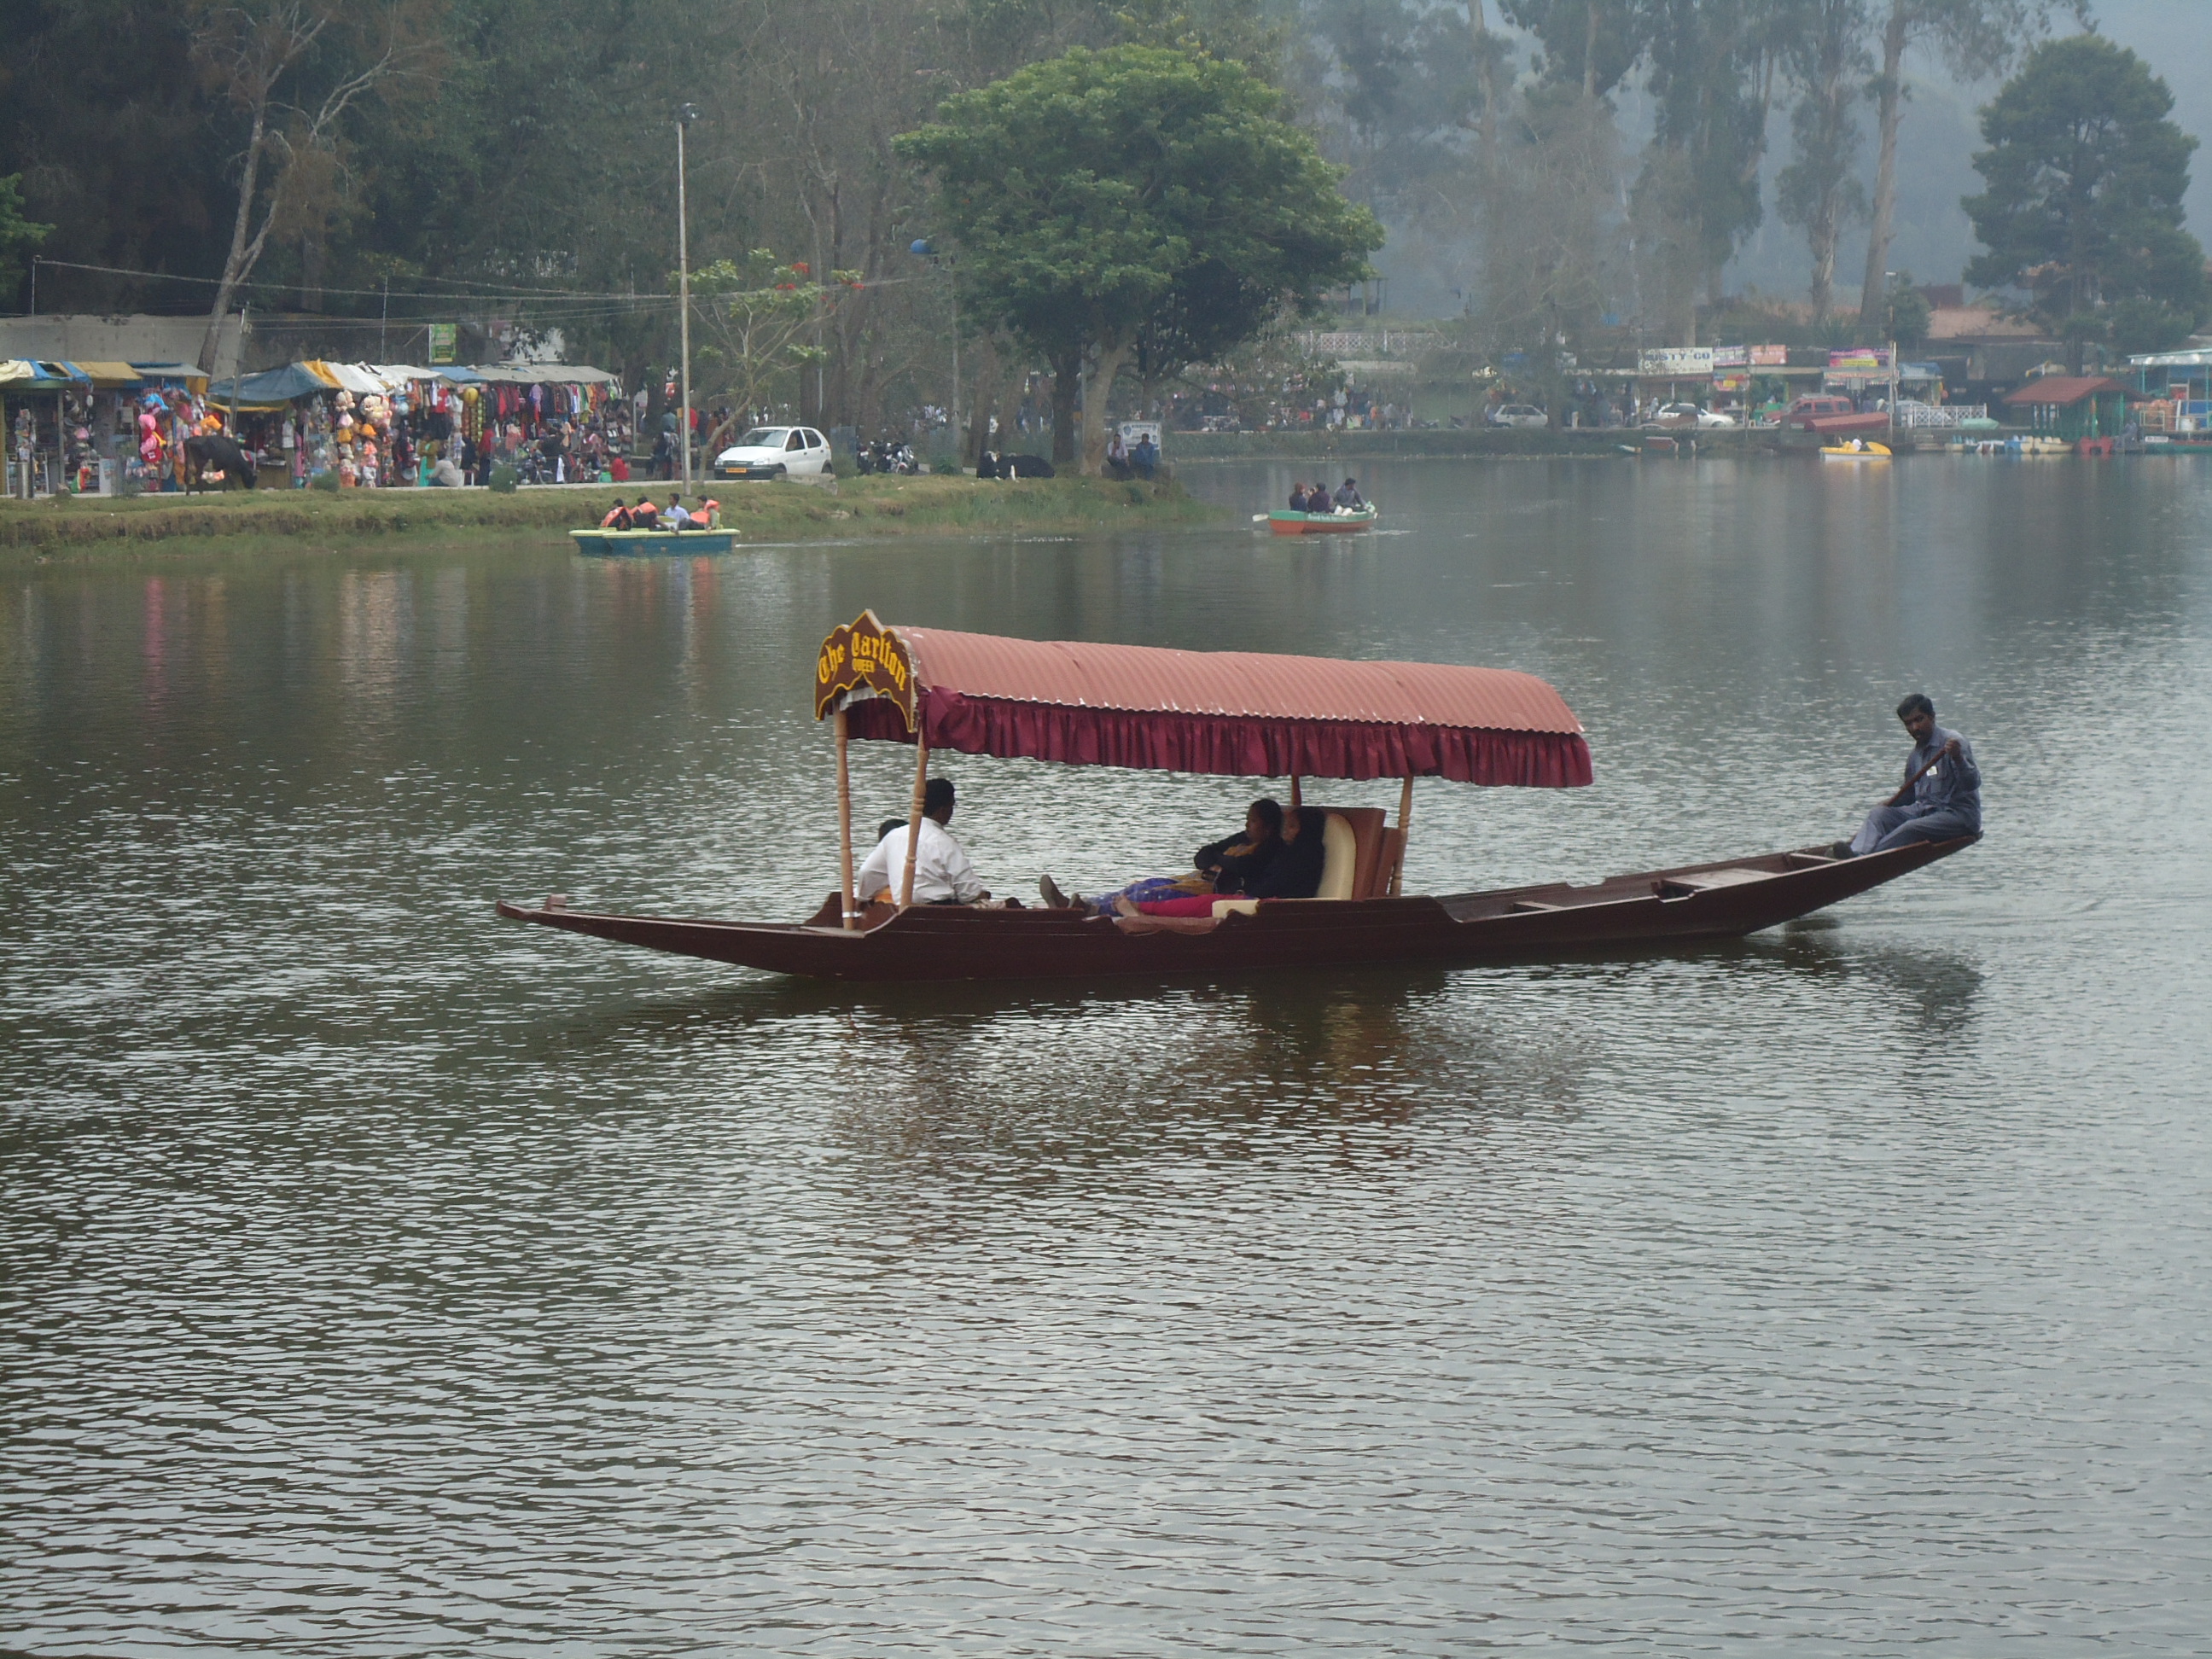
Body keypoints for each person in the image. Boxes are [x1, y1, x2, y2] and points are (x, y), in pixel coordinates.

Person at [1039, 797, 1284, 913]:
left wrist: (1219, 861)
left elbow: (1244, 867)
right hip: (1198, 879)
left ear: (1269, 827)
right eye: (1247, 820)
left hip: (1213, 890)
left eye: (1253, 821)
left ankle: (1091, 910)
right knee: (1145, 884)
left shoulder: (1270, 848)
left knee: (1153, 894)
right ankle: (1078, 903)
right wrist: (1220, 860)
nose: (1247, 826)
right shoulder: (1242, 838)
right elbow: (1203, 855)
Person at [1115, 806, 1329, 916]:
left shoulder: (1304, 857)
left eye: (1292, 827)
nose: (1286, 833)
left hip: (1275, 906)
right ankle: (1125, 906)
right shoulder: (1289, 852)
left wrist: (1245, 892)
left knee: (1207, 902)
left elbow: (1279, 883)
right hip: (1260, 898)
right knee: (1202, 898)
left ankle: (1139, 909)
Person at [1842, 693, 1982, 856]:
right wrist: (1887, 804)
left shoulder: (1954, 743)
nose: (1915, 728)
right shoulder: (1915, 757)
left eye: (1919, 720)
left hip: (1958, 816)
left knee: (1911, 828)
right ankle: (1855, 852)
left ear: (1932, 717)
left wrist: (1958, 758)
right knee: (1878, 814)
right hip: (1924, 811)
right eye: (1908, 723)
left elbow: (1972, 784)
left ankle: (1864, 860)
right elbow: (1909, 796)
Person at [855, 777, 990, 904]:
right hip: (941, 913)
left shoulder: (893, 836)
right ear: (944, 810)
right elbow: (969, 892)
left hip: (902, 911)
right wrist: (981, 896)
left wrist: (861, 899)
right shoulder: (945, 842)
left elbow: (867, 872)